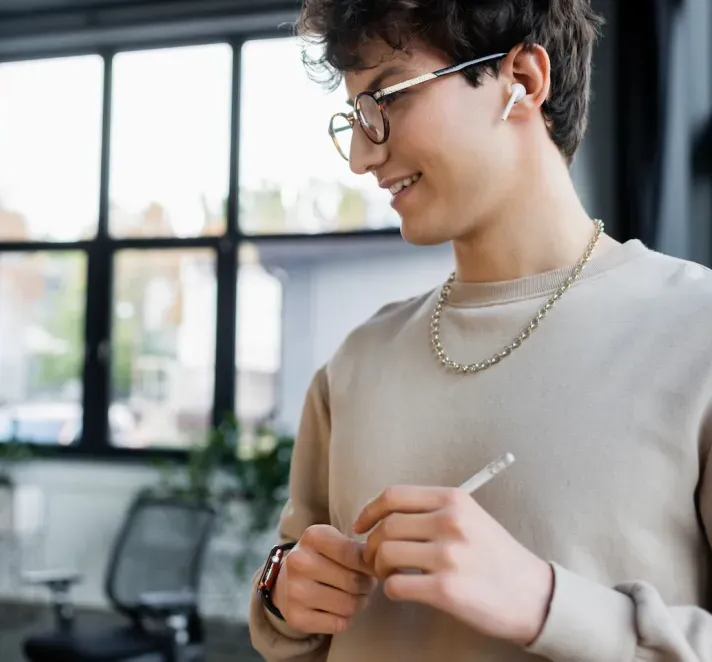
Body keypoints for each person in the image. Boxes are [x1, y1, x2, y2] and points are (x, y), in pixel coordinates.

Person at [248, 1, 712, 660]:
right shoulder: (356, 362)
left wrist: (543, 602)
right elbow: (292, 600)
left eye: (386, 97)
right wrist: (285, 595)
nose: (359, 155)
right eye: (354, 116)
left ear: (521, 79)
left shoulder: (697, 334)